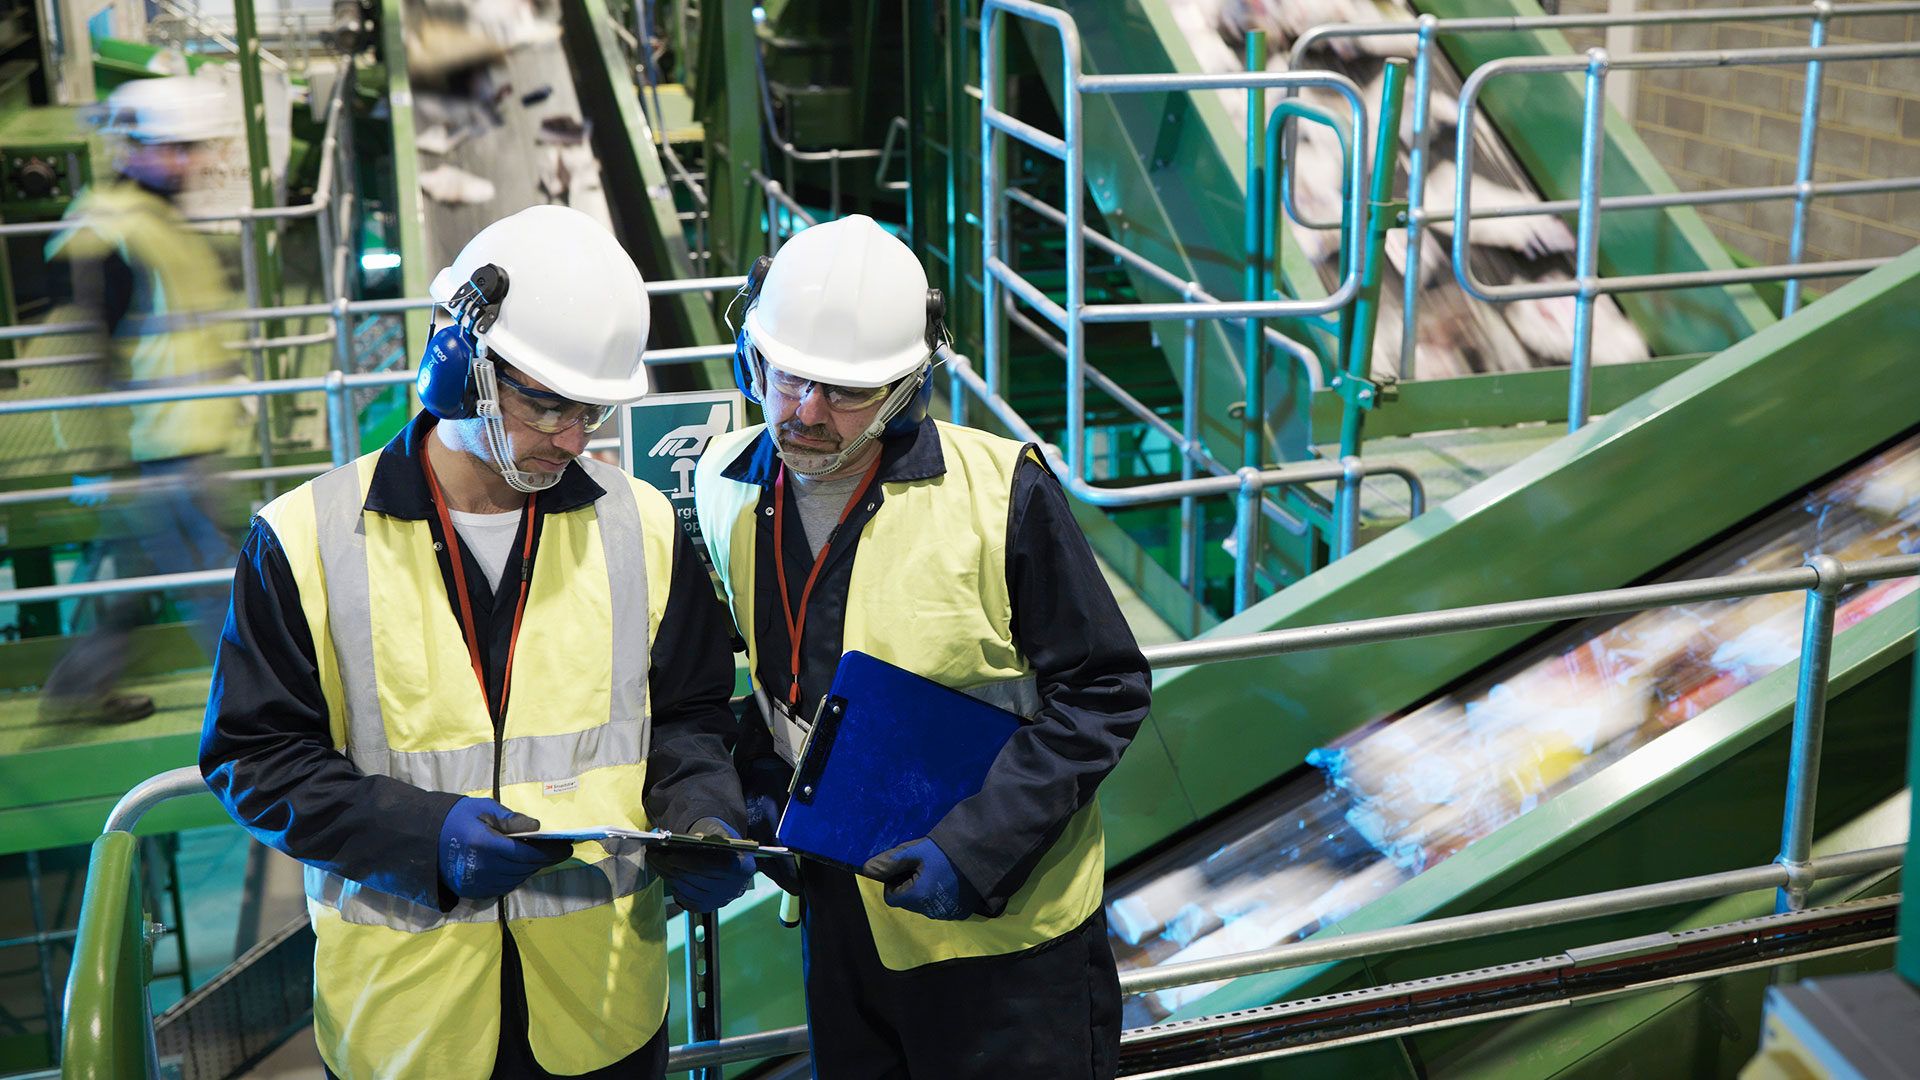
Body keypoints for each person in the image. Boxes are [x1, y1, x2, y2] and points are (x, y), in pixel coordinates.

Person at [201, 205, 757, 1080]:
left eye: (591, 412)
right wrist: (424, 837)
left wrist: (704, 816)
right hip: (410, 1027)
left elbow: (687, 717)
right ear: (458, 363)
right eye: (547, 405)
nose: (573, 440)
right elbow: (255, 757)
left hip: (602, 1014)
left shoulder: (641, 526)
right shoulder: (303, 539)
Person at [693, 214, 1152, 1079]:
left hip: (1005, 947)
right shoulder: (723, 484)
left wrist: (973, 849)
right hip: (841, 920)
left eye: (848, 392)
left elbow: (1105, 689)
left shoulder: (1001, 492)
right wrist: (750, 805)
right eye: (790, 379)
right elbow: (751, 690)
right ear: (754, 355)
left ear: (910, 383)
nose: (808, 415)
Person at [40, 76, 246, 724]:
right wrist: (94, 456)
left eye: (191, 147)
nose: (187, 162)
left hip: (182, 438)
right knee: (216, 587)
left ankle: (73, 694)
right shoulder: (113, 232)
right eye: (172, 148)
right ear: (130, 147)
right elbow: (81, 353)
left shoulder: (154, 222)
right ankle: (264, 717)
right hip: (162, 448)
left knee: (136, 584)